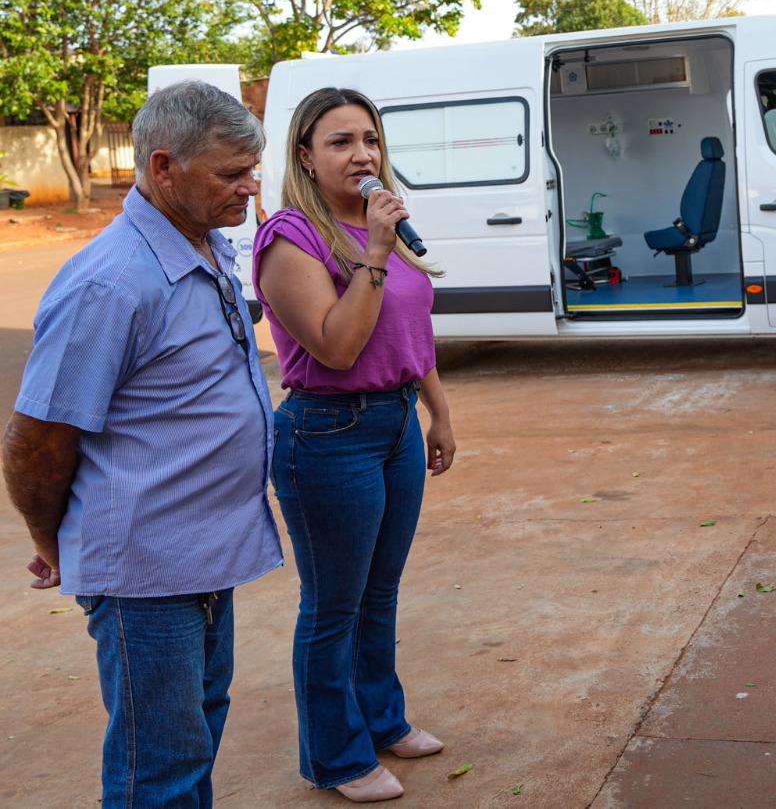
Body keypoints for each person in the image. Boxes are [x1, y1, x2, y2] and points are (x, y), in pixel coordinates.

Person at [2, 81, 282, 807]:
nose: (250, 188)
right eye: (230, 174)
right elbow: (35, 441)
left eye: (251, 170)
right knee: (159, 768)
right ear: (163, 168)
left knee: (196, 734)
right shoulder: (112, 282)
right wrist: (56, 540)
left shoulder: (206, 243)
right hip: (145, 574)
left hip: (205, 554)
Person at [254, 87, 456, 803]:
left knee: (380, 592)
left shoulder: (381, 225)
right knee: (333, 604)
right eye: (340, 142)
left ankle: (381, 719)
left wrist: (439, 413)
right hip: (329, 433)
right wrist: (373, 248)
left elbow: (411, 332)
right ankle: (336, 757)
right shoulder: (290, 237)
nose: (362, 154)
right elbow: (338, 347)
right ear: (305, 157)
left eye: (369, 138)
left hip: (396, 424)